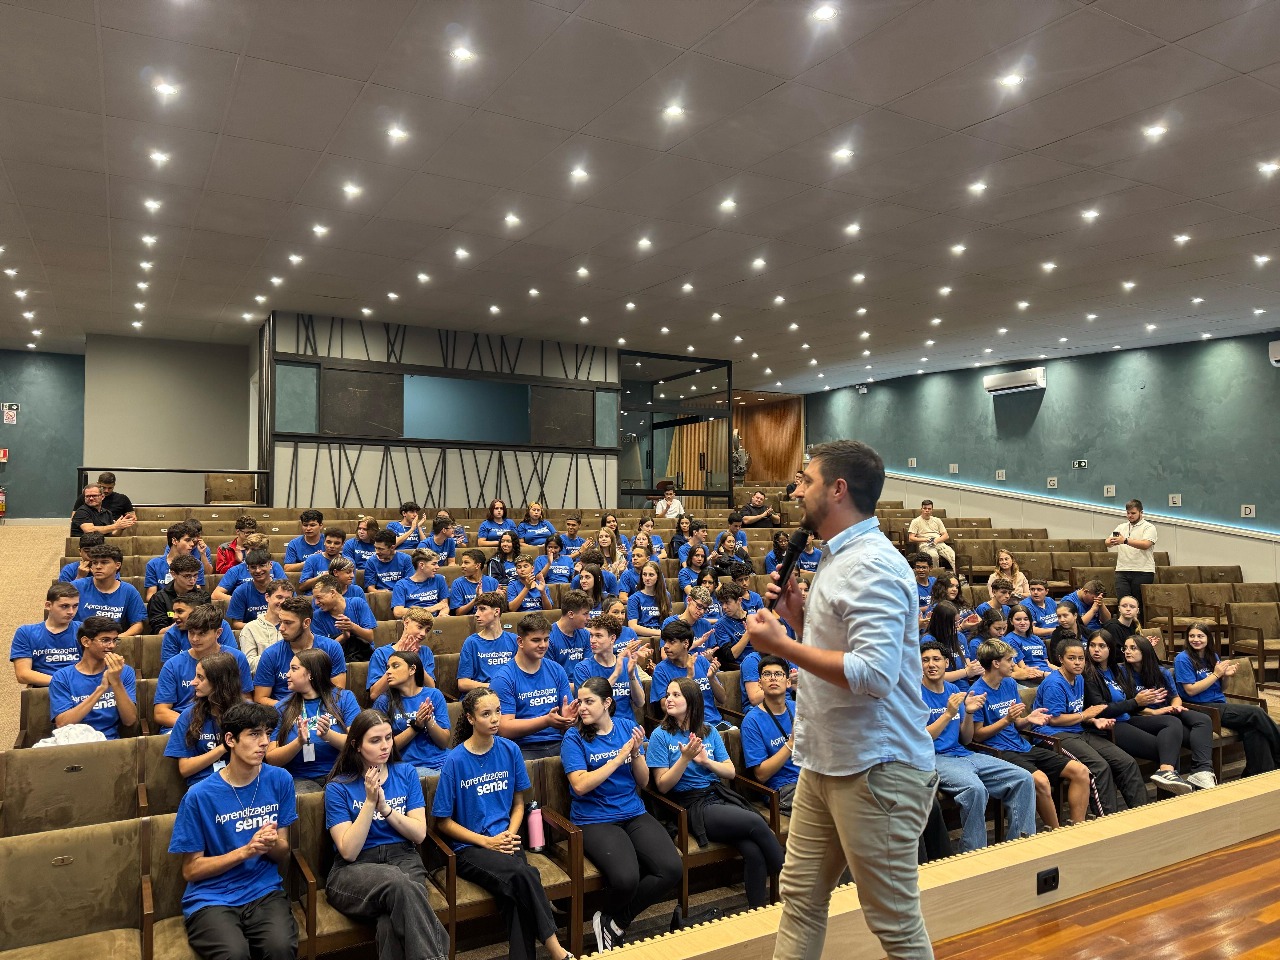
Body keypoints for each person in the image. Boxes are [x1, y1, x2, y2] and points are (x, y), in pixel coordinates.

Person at [743, 440, 938, 960]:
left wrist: (783, 646)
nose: (797, 490)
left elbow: (873, 675)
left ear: (838, 488)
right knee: (801, 898)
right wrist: (798, 621)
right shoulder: (835, 557)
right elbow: (841, 654)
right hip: (826, 760)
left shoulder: (871, 565)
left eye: (806, 480)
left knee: (894, 923)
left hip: (877, 769)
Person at [432, 687, 573, 960]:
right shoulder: (455, 760)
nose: (496, 718)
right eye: (486, 714)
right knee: (527, 875)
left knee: (515, 899)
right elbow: (443, 823)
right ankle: (556, 949)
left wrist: (508, 834)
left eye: (498, 711)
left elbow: (518, 804)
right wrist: (488, 841)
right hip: (470, 848)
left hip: (505, 840)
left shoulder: (510, 749)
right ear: (471, 719)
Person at [169, 701, 298, 960]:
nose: (264, 742)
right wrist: (245, 851)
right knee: (234, 954)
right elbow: (190, 869)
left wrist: (270, 844)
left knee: (281, 949)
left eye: (267, 734)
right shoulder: (199, 796)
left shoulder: (280, 780)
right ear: (230, 739)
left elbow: (283, 850)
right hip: (211, 898)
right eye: (254, 734)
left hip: (263, 891)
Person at [563, 675, 681, 952]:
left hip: (632, 811)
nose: (582, 707)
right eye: (580, 702)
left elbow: (643, 782)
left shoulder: (628, 727)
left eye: (589, 702)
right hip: (594, 818)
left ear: (607, 702)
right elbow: (580, 785)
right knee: (626, 879)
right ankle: (611, 920)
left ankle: (613, 921)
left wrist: (637, 752)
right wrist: (618, 758)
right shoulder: (574, 737)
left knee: (671, 869)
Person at [647, 675, 784, 908]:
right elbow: (662, 785)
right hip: (689, 804)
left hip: (717, 794)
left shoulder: (708, 731)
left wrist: (706, 762)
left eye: (675, 695)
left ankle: (758, 911)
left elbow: (729, 772)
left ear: (691, 701)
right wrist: (685, 759)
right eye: (667, 694)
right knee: (755, 822)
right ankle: (794, 884)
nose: (668, 699)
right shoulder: (660, 735)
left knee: (753, 850)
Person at [323, 708, 449, 960]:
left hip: (402, 857)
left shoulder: (406, 773)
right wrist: (370, 803)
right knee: (398, 882)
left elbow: (419, 834)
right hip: (355, 870)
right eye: (375, 740)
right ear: (356, 745)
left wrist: (385, 808)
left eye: (389, 738)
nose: (385, 746)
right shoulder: (338, 787)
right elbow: (348, 851)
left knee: (389, 922)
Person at [920, 642, 1036, 851]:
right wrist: (948, 714)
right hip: (934, 758)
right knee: (975, 789)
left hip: (962, 753)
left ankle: (1021, 847)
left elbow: (966, 738)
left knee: (1023, 778)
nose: (931, 665)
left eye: (936, 659)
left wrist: (970, 713)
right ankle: (974, 854)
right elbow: (921, 740)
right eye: (925, 660)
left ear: (947, 663)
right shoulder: (915, 694)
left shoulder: (953, 689)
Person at [969, 639, 1091, 829]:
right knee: (1041, 781)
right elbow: (977, 736)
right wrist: (1006, 720)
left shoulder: (1009, 683)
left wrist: (1028, 719)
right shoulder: (976, 692)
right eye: (1009, 660)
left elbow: (1016, 723)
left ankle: (1078, 827)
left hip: (1021, 745)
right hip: (997, 752)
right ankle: (1057, 832)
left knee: (1080, 772)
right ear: (996, 663)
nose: (1013, 665)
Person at [1031, 637, 1146, 815]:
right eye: (1072, 658)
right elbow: (1054, 719)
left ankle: (1141, 814)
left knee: (1126, 762)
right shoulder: (1054, 684)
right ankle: (1108, 820)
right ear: (1060, 659)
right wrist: (1086, 715)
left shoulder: (1080, 679)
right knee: (1099, 767)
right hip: (1053, 735)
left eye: (1081, 658)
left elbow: (1077, 713)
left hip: (1078, 730)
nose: (1077, 663)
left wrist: (1093, 720)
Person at [1175, 623, 1280, 776]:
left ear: (1208, 638)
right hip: (1200, 707)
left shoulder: (1212, 656)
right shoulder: (1182, 659)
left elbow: (1222, 689)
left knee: (1254, 728)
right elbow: (1190, 690)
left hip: (1219, 703)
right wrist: (1216, 674)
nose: (1196, 639)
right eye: (1192, 636)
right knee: (1255, 713)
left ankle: (1258, 774)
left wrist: (1226, 677)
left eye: (1200, 636)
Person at [1117, 633, 1214, 790]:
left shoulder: (1162, 672)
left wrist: (1175, 706)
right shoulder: (1120, 672)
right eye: (1125, 648)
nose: (1127, 651)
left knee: (1203, 720)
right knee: (1174, 726)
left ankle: (1201, 771)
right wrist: (1157, 711)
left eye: (1133, 648)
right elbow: (1127, 706)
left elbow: (1175, 697)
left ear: (1145, 651)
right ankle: (1167, 774)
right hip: (1141, 716)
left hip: (1166, 713)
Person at [265, 648, 360, 793]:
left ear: (310, 674)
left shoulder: (344, 698)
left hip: (341, 772)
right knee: (303, 798)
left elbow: (358, 745)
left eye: (294, 669)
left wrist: (329, 736)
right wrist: (298, 742)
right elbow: (271, 758)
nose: (287, 674)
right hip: (301, 778)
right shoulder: (282, 707)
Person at [154, 604, 253, 732]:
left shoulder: (236, 657)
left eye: (202, 633)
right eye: (191, 633)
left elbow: (246, 698)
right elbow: (161, 712)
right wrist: (198, 725)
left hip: (226, 722)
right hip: (184, 723)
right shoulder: (173, 665)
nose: (195, 639)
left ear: (218, 633)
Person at [491, 612, 576, 759]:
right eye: (536, 640)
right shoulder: (503, 678)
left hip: (559, 741)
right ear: (520, 641)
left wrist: (568, 720)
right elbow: (504, 728)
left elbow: (566, 715)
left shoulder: (556, 670)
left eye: (546, 639)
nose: (543, 645)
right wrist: (545, 721)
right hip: (522, 746)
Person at [48, 616, 139, 738]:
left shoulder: (124, 672)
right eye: (105, 640)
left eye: (115, 640)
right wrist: (101, 689)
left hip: (110, 743)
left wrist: (116, 681)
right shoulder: (62, 677)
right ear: (86, 642)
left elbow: (130, 720)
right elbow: (63, 723)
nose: (112, 646)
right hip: (74, 744)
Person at [165, 652, 247, 787]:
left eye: (200, 678)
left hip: (242, 782)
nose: (192, 682)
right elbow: (185, 769)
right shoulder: (188, 716)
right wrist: (224, 747)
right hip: (204, 785)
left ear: (219, 682)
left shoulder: (248, 714)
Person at [253, 596, 348, 706]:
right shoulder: (271, 654)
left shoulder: (331, 648)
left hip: (323, 710)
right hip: (285, 712)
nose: (281, 628)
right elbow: (260, 698)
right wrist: (292, 710)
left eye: (288, 623)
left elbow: (337, 693)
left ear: (306, 623)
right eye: (281, 622)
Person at [372, 650, 451, 775]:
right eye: (387, 668)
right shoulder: (383, 702)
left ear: (412, 669)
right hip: (409, 767)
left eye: (395, 666)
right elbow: (384, 748)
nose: (388, 671)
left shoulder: (434, 695)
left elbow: (444, 742)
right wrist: (416, 727)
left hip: (443, 762)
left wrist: (428, 720)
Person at [739, 655, 801, 810]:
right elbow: (761, 775)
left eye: (778, 674)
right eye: (767, 674)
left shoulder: (798, 708)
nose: (773, 678)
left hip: (809, 779)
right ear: (760, 683)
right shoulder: (751, 721)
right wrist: (791, 743)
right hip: (781, 788)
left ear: (788, 682)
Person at [649, 620, 728, 731]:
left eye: (671, 642)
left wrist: (711, 679)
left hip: (714, 724)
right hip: (685, 727)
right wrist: (689, 677)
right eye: (665, 641)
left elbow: (723, 698)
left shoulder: (701, 661)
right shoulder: (661, 670)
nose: (665, 646)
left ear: (686, 643)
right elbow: (665, 707)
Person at [572, 615, 645, 723]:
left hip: (627, 726)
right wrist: (615, 674)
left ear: (612, 638)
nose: (592, 640)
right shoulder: (582, 668)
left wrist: (631, 676)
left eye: (598, 636)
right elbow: (588, 702)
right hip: (597, 728)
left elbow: (640, 702)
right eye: (591, 635)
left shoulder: (626, 663)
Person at [11, 582, 82, 687]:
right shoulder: (26, 632)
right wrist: (62, 683)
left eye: (75, 606)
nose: (71, 612)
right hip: (45, 689)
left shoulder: (83, 629)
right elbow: (22, 674)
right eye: (64, 606)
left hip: (80, 687)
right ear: (48, 605)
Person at [73, 544, 146, 635]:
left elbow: (137, 625)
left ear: (117, 565)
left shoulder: (129, 591)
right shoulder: (76, 586)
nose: (98, 567)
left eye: (104, 562)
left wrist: (115, 639)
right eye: (95, 563)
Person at [366, 608, 437, 702]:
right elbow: (374, 694)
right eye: (420, 627)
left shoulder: (426, 652)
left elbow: (431, 687)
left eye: (427, 630)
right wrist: (399, 658)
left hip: (419, 703)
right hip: (391, 704)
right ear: (406, 623)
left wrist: (414, 659)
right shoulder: (381, 653)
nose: (423, 634)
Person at [457, 592, 520, 694]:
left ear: (496, 611)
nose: (477, 614)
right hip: (483, 695)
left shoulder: (514, 640)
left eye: (482, 609)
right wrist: (494, 686)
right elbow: (463, 683)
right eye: (476, 609)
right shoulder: (472, 642)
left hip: (509, 694)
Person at [1107, 499, 1158, 620]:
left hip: (1143, 571)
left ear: (1141, 512)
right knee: (1123, 603)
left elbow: (1146, 544)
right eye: (1128, 513)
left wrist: (1125, 541)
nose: (1130, 516)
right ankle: (1123, 632)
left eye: (1133, 513)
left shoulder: (1149, 527)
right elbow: (1108, 542)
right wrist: (1110, 541)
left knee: (1138, 604)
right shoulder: (1121, 527)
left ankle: (1138, 633)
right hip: (1122, 570)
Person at [309, 575, 377, 663]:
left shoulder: (358, 603)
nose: (316, 602)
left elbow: (370, 637)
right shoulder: (317, 616)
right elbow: (321, 652)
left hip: (365, 657)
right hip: (334, 659)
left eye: (319, 597)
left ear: (332, 593)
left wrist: (352, 627)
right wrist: (344, 637)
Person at [160, 590, 237, 664]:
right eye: (174, 612)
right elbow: (171, 669)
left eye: (180, 611)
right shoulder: (171, 633)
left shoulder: (219, 624)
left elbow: (231, 659)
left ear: (196, 611)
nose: (174, 616)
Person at [921, 601, 982, 689]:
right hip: (940, 688)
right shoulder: (929, 640)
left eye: (958, 621)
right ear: (942, 623)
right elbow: (933, 676)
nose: (957, 626)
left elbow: (966, 664)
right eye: (953, 623)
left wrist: (974, 668)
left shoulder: (960, 637)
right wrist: (966, 672)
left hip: (964, 687)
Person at [238, 579, 294, 672]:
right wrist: (277, 655)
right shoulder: (250, 628)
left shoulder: (296, 626)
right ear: (267, 597)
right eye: (279, 597)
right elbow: (249, 665)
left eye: (288, 599)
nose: (283, 602)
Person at [145, 521, 210, 599]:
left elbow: (197, 594)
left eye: (192, 541)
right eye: (187, 540)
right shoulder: (154, 564)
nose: (192, 544)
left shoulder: (197, 564)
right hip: (163, 607)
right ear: (174, 541)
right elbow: (150, 596)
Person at [212, 534, 285, 599]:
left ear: (264, 551)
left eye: (253, 549)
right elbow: (216, 594)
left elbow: (287, 590)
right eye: (247, 549)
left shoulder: (275, 566)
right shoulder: (236, 570)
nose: (248, 552)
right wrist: (241, 601)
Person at [147, 554, 204, 634]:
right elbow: (159, 632)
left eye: (195, 575)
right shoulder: (159, 598)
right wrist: (185, 621)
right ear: (174, 574)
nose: (192, 580)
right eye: (187, 576)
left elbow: (206, 627)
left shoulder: (203, 597)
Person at [226, 549, 279, 631]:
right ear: (248, 568)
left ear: (270, 565)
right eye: (253, 567)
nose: (258, 570)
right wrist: (261, 627)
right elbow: (236, 624)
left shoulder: (283, 588)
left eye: (262, 565)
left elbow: (293, 616)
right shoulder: (240, 591)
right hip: (253, 634)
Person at [391, 549, 450, 618]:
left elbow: (444, 604)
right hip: (414, 622)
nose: (437, 567)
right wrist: (430, 609)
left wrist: (442, 614)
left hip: (436, 620)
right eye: (434, 564)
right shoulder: (401, 585)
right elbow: (398, 612)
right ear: (421, 565)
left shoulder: (439, 579)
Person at [1004, 605, 1051, 683]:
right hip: (1032, 677)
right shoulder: (1010, 639)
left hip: (1047, 673)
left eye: (1026, 619)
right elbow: (1022, 668)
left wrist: (1062, 671)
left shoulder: (1036, 639)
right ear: (1011, 621)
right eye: (1018, 619)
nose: (1023, 623)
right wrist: (1045, 674)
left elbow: (1047, 663)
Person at [548, 590, 593, 672]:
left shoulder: (585, 634)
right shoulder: (548, 638)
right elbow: (550, 675)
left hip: (584, 683)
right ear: (571, 614)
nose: (589, 618)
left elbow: (588, 668)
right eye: (585, 613)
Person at [626, 560, 671, 641]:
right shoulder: (634, 598)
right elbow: (633, 626)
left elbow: (669, 620)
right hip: (642, 637)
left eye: (651, 575)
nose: (647, 578)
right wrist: (659, 633)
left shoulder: (666, 595)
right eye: (644, 574)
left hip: (663, 637)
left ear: (658, 577)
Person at [448, 549, 501, 616]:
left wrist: (500, 599)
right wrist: (476, 599)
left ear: (477, 565)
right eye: (462, 562)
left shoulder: (493, 582)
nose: (462, 566)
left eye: (466, 562)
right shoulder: (457, 584)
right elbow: (458, 613)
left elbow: (498, 610)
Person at [70, 483, 136, 537]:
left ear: (102, 497)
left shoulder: (107, 513)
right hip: (85, 548)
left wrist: (121, 527)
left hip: (102, 547)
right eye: (87, 496)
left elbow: (112, 536)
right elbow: (89, 530)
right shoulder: (81, 512)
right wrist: (115, 526)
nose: (91, 498)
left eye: (94, 496)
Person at [907, 499, 954, 571]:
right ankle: (936, 576)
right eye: (925, 508)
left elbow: (946, 536)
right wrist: (925, 539)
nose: (927, 510)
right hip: (925, 543)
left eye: (929, 509)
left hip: (939, 542)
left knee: (952, 554)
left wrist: (936, 541)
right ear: (921, 509)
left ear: (932, 510)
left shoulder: (937, 520)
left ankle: (959, 577)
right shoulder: (915, 521)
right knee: (933, 556)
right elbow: (911, 538)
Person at [72, 472, 136, 523]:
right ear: (98, 484)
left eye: (110, 488)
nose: (106, 491)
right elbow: (74, 518)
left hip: (115, 529)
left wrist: (122, 522)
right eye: (103, 487)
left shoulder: (122, 499)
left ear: (114, 485)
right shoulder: (86, 497)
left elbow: (133, 518)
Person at [298, 527, 348, 594]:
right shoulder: (312, 559)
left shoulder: (348, 561)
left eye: (336, 543)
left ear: (342, 544)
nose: (332, 546)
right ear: (324, 542)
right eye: (328, 542)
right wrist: (322, 578)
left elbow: (350, 586)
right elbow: (302, 586)